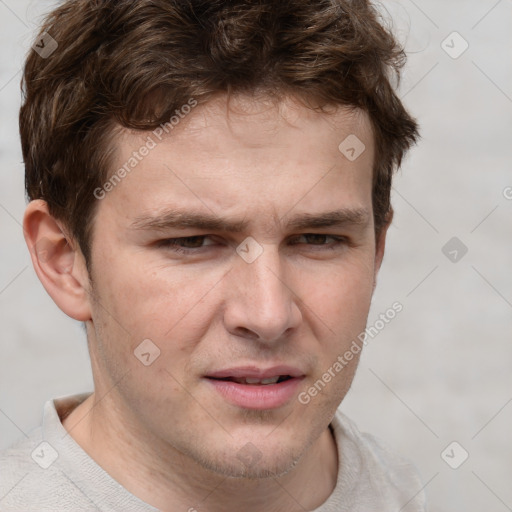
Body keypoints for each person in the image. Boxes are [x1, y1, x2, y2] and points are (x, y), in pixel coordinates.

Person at [0, 0, 426, 510]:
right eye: (192, 241)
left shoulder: (406, 494)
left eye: (318, 239)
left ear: (377, 249)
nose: (268, 315)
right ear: (64, 261)